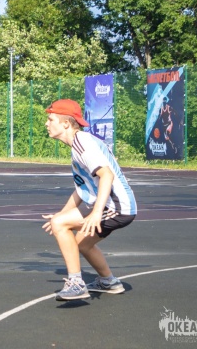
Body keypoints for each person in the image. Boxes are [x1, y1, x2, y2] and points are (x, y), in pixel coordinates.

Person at [41, 99, 137, 301]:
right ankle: (108, 282)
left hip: (118, 207)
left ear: (65, 123)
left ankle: (76, 283)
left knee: (60, 224)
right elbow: (81, 189)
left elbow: (107, 175)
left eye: (51, 119)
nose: (46, 123)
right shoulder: (79, 144)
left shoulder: (83, 144)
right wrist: (62, 214)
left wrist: (95, 213)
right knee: (82, 243)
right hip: (110, 205)